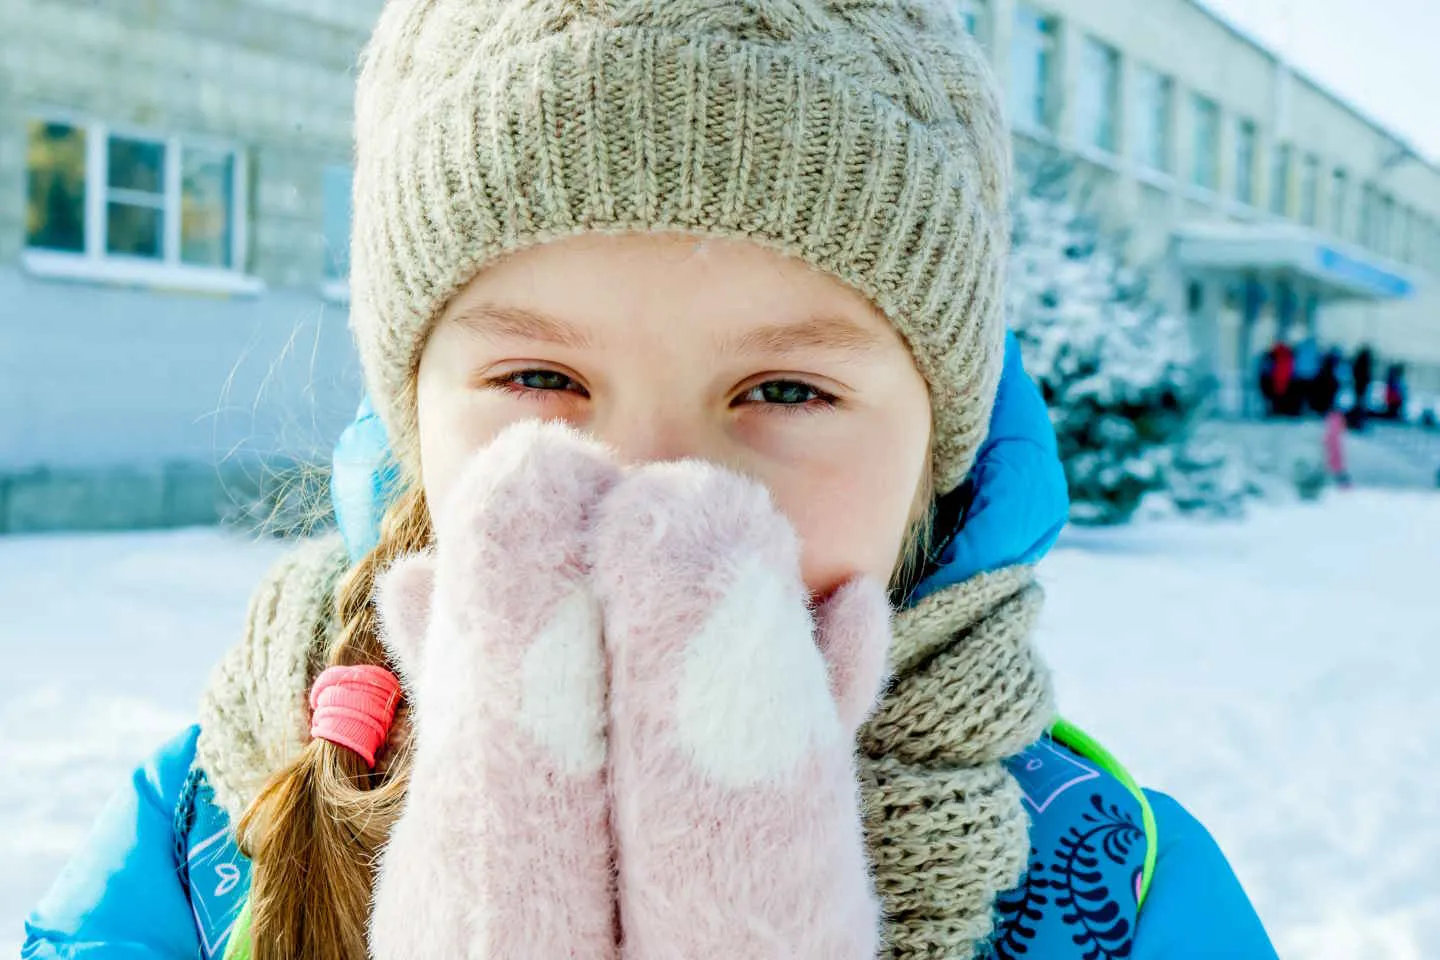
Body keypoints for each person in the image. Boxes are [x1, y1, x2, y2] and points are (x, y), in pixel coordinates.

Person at [23, 4, 1277, 959]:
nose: (655, 490)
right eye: (539, 377)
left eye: (785, 391)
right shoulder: (218, 829)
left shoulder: (1101, 886)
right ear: (412, 414)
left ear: (940, 441)